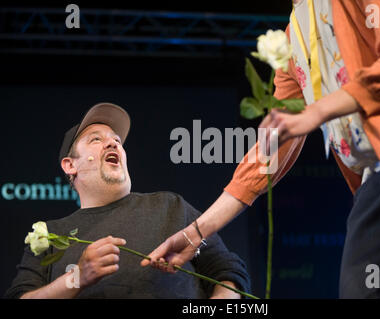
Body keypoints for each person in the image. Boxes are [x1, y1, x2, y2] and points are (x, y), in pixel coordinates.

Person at [144, 0, 380, 298]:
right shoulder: (293, 38)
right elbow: (272, 149)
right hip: (375, 177)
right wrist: (196, 233)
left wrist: (315, 113)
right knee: (361, 289)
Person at [5, 103, 250, 299]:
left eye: (117, 141)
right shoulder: (49, 235)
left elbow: (228, 271)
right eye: (96, 139)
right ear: (70, 165)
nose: (113, 143)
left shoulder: (170, 206)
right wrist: (77, 277)